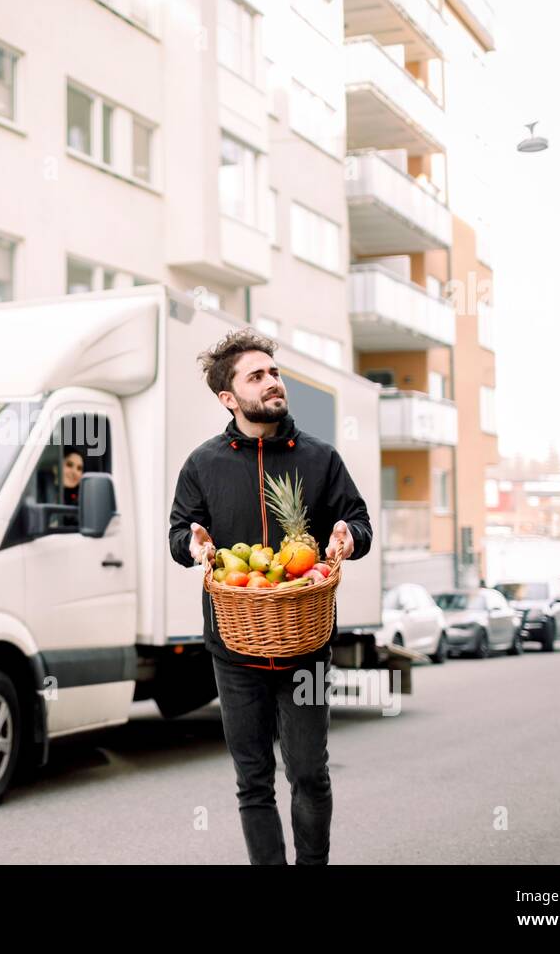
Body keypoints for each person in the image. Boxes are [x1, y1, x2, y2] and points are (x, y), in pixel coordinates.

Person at [167, 327, 373, 865]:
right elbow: (178, 534)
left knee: (308, 771)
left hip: (306, 647)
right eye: (256, 376)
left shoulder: (320, 458)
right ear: (229, 398)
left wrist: (349, 536)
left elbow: (359, 520)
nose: (272, 382)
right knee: (252, 779)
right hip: (234, 650)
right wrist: (191, 544)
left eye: (274, 372)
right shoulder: (202, 465)